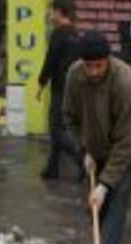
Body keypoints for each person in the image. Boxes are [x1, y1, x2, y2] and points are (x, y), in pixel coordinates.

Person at [63, 31, 131, 244]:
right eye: (89, 66)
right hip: (95, 147)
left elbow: (125, 143)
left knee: (115, 199)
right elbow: (70, 116)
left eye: (99, 65)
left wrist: (105, 183)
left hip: (130, 147)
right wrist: (82, 149)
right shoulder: (75, 75)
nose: (94, 72)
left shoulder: (126, 83)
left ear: (108, 60)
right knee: (96, 205)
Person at [37, 0, 84, 181]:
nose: (50, 15)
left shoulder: (59, 33)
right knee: (61, 127)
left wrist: (41, 83)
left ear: (59, 12)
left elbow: (51, 60)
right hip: (74, 88)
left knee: (56, 129)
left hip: (60, 89)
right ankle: (52, 169)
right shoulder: (76, 33)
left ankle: (81, 159)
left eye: (52, 11)